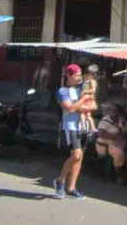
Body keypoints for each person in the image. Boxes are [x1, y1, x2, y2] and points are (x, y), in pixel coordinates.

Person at [53, 64, 93, 200]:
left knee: (79, 158)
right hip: (70, 126)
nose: (79, 78)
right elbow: (69, 108)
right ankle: (60, 180)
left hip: (83, 126)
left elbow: (93, 104)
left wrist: (81, 105)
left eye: (80, 75)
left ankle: (71, 188)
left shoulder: (83, 86)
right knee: (75, 155)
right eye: (76, 75)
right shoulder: (63, 91)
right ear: (68, 75)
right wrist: (82, 102)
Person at [95, 102, 127, 184]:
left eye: (115, 110)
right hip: (105, 142)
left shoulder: (121, 119)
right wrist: (114, 136)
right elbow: (100, 134)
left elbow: (126, 129)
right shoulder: (105, 120)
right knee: (119, 153)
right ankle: (118, 175)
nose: (113, 111)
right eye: (111, 110)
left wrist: (124, 133)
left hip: (119, 140)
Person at [80, 64, 99, 133]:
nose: (86, 75)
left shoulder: (92, 81)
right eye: (86, 74)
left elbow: (93, 90)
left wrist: (84, 91)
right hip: (85, 99)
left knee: (84, 113)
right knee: (85, 114)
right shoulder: (86, 81)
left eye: (88, 74)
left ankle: (87, 127)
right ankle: (85, 127)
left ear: (93, 75)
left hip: (88, 100)